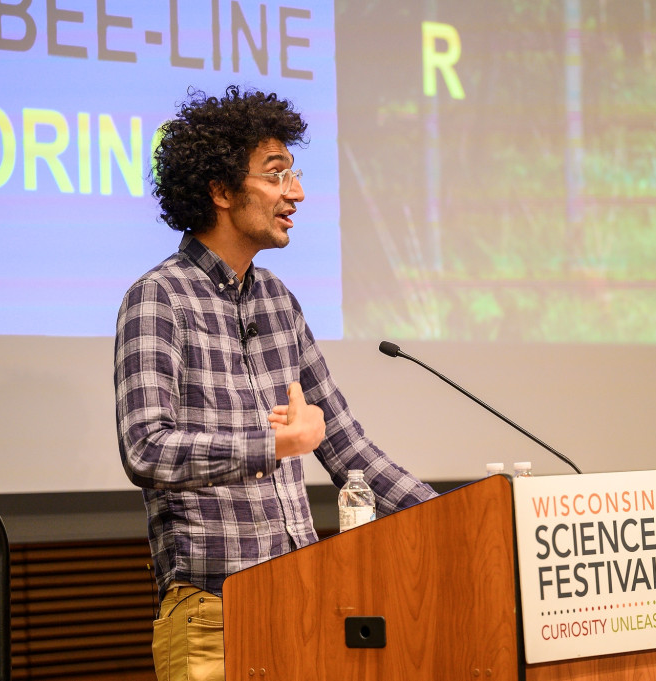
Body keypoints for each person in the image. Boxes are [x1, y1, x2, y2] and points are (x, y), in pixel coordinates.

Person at [114, 86, 437, 681]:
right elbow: (145, 450)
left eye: (295, 172)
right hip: (213, 611)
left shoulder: (279, 302)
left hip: (304, 596)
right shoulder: (158, 297)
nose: (298, 192)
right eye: (277, 173)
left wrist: (452, 519)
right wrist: (273, 446)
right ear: (220, 190)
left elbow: (345, 446)